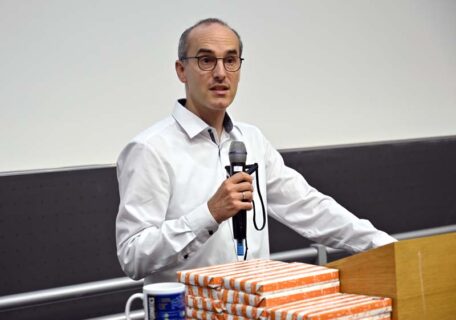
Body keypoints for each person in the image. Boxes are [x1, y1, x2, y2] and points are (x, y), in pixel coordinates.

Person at [115, 18, 396, 284]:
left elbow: (308, 206)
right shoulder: (150, 149)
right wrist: (208, 215)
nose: (221, 73)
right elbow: (133, 256)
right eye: (206, 60)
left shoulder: (252, 140)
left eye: (230, 60)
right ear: (181, 70)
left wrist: (385, 246)